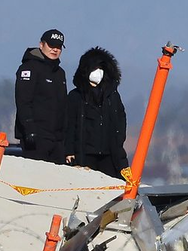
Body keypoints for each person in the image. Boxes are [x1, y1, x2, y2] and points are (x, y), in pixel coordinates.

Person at [65, 47, 129, 179]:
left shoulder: (112, 96)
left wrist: (118, 141)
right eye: (94, 68)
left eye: (101, 69)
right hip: (85, 153)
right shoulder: (76, 96)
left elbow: (121, 119)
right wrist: (69, 151)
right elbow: (69, 125)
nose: (98, 72)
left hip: (109, 154)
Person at [13, 29, 69, 164]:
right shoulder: (29, 68)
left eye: (58, 47)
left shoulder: (60, 73)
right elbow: (23, 101)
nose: (55, 50)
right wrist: (29, 130)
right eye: (51, 45)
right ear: (41, 45)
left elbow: (63, 105)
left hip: (57, 138)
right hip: (36, 137)